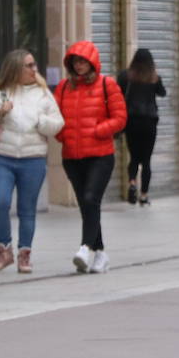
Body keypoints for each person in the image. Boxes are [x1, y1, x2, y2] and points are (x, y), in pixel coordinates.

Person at [0, 50, 64, 274]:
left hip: (33, 159)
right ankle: (4, 250)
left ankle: (24, 254)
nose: (34, 70)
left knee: (26, 209)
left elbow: (58, 122)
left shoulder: (42, 94)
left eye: (34, 65)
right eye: (28, 66)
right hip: (3, 157)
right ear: (15, 69)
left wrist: (41, 122)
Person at [55, 41, 127, 273]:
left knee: (90, 198)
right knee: (87, 205)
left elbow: (120, 117)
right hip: (72, 156)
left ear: (92, 62)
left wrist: (98, 131)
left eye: (83, 61)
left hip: (100, 155)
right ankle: (101, 253)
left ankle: (85, 248)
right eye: (75, 62)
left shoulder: (108, 85)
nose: (79, 66)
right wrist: (62, 134)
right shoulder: (64, 87)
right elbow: (54, 116)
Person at [116, 47, 166, 206]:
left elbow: (118, 94)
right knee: (146, 160)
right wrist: (156, 78)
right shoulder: (153, 78)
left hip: (131, 122)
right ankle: (144, 195)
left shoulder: (125, 76)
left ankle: (132, 183)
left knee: (134, 157)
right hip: (149, 122)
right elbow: (162, 93)